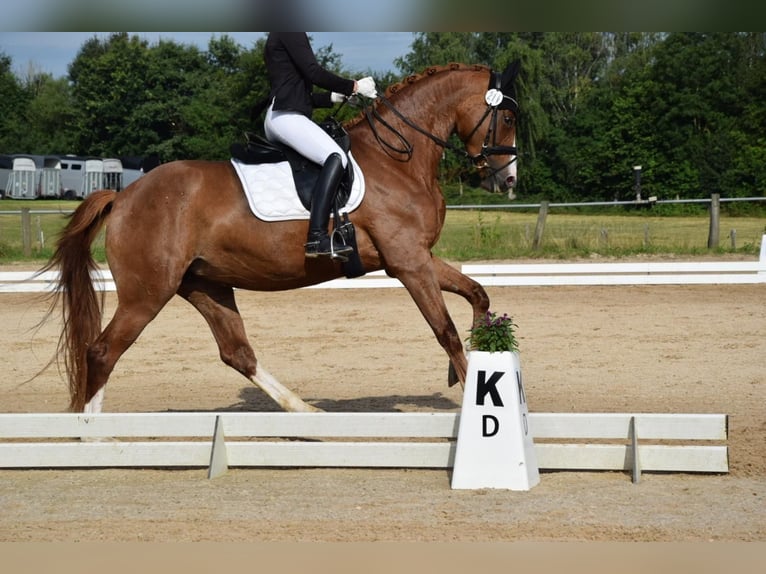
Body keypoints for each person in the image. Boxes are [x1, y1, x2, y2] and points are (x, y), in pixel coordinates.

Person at [263, 32, 377, 258]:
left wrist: (332, 97)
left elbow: (296, 91)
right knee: (336, 156)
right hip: (285, 116)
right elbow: (313, 72)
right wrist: (353, 86)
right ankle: (317, 236)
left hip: (284, 113)